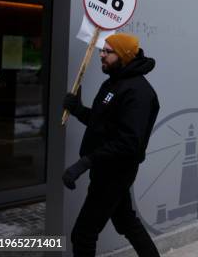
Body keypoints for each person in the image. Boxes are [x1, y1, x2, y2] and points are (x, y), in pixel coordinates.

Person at [62, 33, 160, 257]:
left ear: (123, 56)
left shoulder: (139, 93)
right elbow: (103, 124)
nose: (102, 56)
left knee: (83, 235)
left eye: (108, 51)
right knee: (126, 222)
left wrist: (84, 163)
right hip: (104, 169)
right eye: (101, 51)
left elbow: (128, 143)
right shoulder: (113, 83)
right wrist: (78, 110)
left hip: (115, 172)